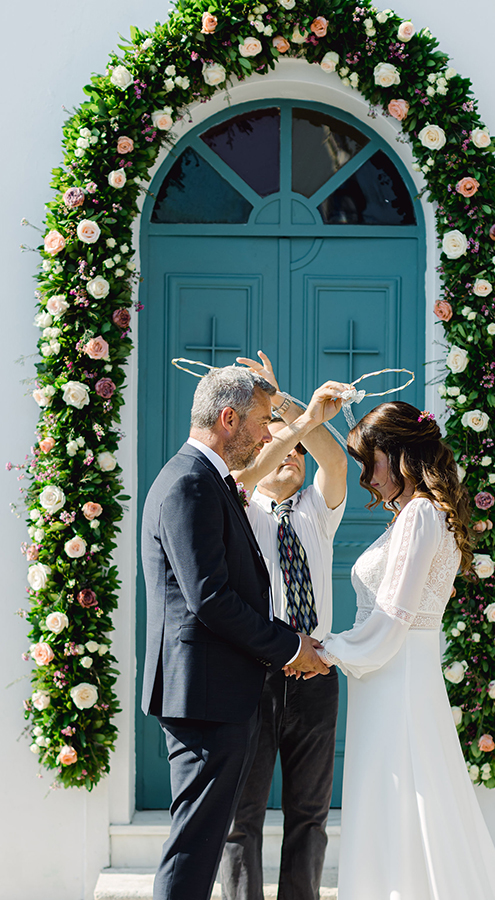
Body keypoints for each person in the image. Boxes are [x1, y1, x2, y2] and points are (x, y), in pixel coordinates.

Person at [140, 365, 332, 900]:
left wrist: (306, 420)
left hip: (212, 693)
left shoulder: (205, 479)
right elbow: (211, 599)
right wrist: (292, 644)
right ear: (229, 419)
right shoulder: (190, 484)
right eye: (261, 421)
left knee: (198, 847)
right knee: (194, 848)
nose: (266, 433)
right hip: (205, 698)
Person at [318, 401, 495, 900]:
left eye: (371, 462)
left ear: (398, 454)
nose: (366, 477)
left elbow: (392, 622)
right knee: (403, 801)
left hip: (395, 679)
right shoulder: (421, 514)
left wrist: (326, 650)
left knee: (403, 798)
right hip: (393, 677)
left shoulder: (420, 515)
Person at [221, 352, 348, 900]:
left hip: (315, 674)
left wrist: (285, 400)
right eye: (282, 448)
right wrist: (270, 412)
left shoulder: (318, 510)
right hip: (254, 675)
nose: (292, 456)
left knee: (309, 816)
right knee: (241, 817)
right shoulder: (238, 507)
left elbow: (335, 460)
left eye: (297, 450)